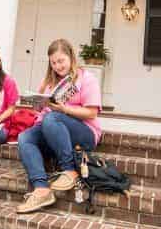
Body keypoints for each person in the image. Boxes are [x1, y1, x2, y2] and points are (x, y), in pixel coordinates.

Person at [15, 39, 102, 214]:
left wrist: (64, 109)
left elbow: (92, 113)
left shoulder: (86, 78)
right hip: (54, 129)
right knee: (25, 137)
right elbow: (43, 112)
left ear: (71, 57)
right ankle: (41, 189)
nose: (57, 66)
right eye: (53, 63)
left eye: (61, 61)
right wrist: (38, 107)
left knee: (53, 117)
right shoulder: (49, 82)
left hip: (84, 133)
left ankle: (69, 170)